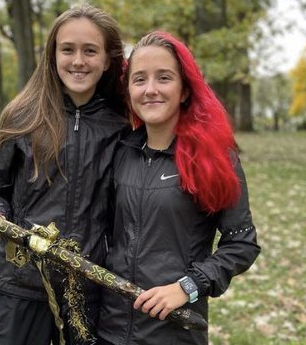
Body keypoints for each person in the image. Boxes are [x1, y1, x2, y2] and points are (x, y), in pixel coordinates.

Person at [0, 4, 130, 345]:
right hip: (21, 284)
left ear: (107, 60)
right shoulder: (21, 116)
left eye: (90, 51)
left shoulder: (121, 127)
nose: (78, 61)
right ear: (52, 54)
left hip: (85, 285)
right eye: (67, 50)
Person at [97, 31, 261, 345]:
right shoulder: (119, 153)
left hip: (174, 332)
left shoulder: (215, 159)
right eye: (140, 79)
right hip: (110, 328)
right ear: (129, 90)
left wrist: (187, 286)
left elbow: (241, 245)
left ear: (184, 90)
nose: (151, 90)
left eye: (164, 78)